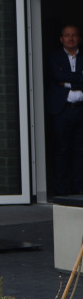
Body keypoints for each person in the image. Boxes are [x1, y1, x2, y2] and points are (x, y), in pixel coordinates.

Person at [47, 24, 83, 196]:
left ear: (79, 38)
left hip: (80, 111)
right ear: (61, 39)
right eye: (67, 35)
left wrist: (67, 82)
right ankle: (61, 191)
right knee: (61, 151)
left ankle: (78, 190)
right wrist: (79, 77)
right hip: (61, 111)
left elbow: (63, 78)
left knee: (79, 151)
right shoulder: (54, 57)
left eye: (74, 35)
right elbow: (57, 76)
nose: (71, 38)